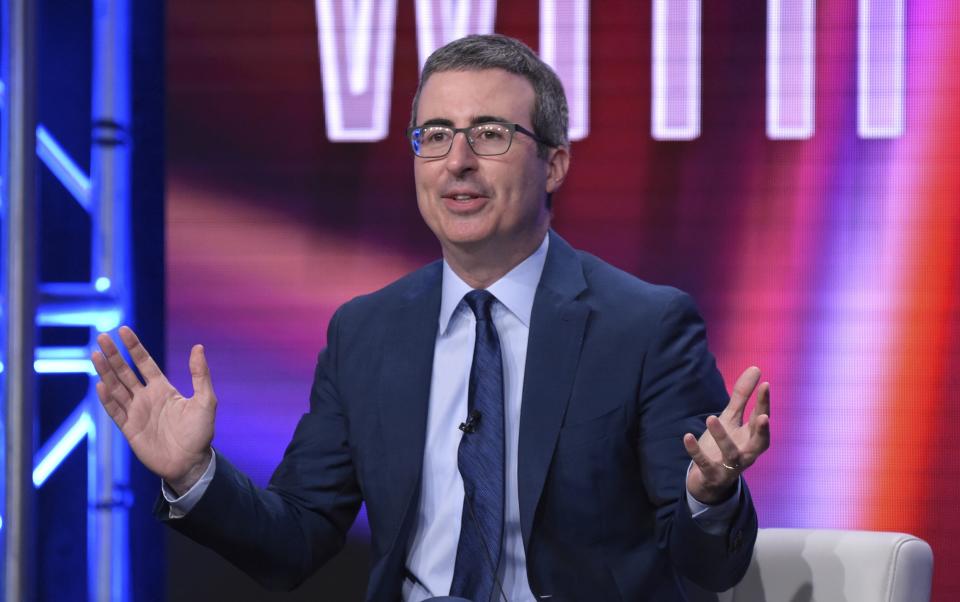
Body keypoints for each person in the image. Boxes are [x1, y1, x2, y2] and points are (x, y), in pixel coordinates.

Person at [93, 34, 770, 602]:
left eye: (491, 134)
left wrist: (709, 498)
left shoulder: (645, 327)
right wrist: (194, 475)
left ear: (555, 164)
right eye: (436, 135)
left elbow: (704, 568)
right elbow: (294, 540)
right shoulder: (366, 332)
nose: (458, 163)